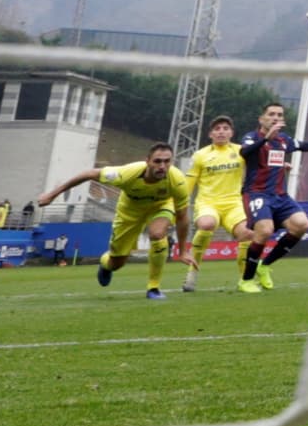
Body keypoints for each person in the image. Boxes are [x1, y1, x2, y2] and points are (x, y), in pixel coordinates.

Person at [37, 143, 197, 299]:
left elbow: (182, 217)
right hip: (129, 212)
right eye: (157, 161)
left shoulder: (177, 181)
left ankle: (153, 287)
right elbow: (88, 174)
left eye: (167, 161)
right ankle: (105, 264)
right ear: (147, 161)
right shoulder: (126, 173)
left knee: (157, 233)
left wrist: (183, 250)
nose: (162, 166)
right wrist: (52, 195)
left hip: (161, 206)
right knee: (117, 263)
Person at [239, 102, 308, 290]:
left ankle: (265, 265)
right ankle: (246, 280)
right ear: (261, 119)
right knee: (265, 230)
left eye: (279, 115)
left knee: (302, 225)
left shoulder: (284, 140)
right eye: (271, 114)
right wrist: (266, 138)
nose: (276, 117)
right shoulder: (252, 137)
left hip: (280, 195)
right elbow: (245, 152)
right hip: (257, 193)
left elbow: (304, 145)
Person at [183, 115, 258, 293]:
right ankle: (192, 273)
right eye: (217, 129)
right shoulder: (200, 155)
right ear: (210, 134)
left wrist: (282, 166)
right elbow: (189, 182)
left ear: (231, 132)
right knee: (207, 224)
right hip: (208, 203)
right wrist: (180, 204)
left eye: (225, 128)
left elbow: (261, 166)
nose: (221, 132)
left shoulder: (241, 151)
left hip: (234, 204)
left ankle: (245, 279)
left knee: (247, 233)